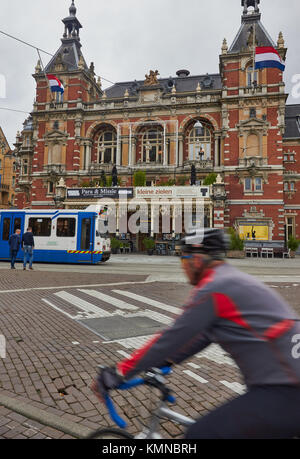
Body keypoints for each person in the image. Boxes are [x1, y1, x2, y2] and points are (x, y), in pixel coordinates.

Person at [91, 228, 300, 439]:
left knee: (200, 434)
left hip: (286, 389)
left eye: (183, 259)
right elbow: (200, 337)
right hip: (285, 383)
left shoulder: (214, 288)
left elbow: (173, 337)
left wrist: (118, 372)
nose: (183, 267)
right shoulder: (230, 279)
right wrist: (165, 363)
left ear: (197, 260)